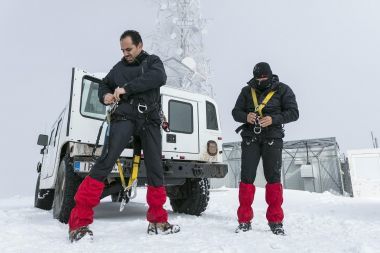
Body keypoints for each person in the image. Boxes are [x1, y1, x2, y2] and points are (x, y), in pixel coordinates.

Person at [68, 30, 180, 242]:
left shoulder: (153, 62)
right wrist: (105, 95)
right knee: (105, 161)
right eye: (122, 50)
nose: (125, 53)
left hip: (150, 120)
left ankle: (158, 221)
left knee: (156, 169)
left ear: (140, 45)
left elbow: (158, 78)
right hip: (124, 118)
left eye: (129, 49)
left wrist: (126, 89)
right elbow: (104, 84)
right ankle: (79, 223)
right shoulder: (118, 69)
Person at [232, 62, 299, 235]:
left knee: (273, 178)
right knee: (247, 178)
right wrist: (245, 116)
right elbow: (235, 112)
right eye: (258, 78)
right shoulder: (246, 91)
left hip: (273, 138)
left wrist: (274, 119)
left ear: (270, 75)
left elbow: (294, 113)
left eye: (264, 78)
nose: (261, 81)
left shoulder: (283, 90)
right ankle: (244, 220)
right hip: (250, 138)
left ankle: (276, 221)